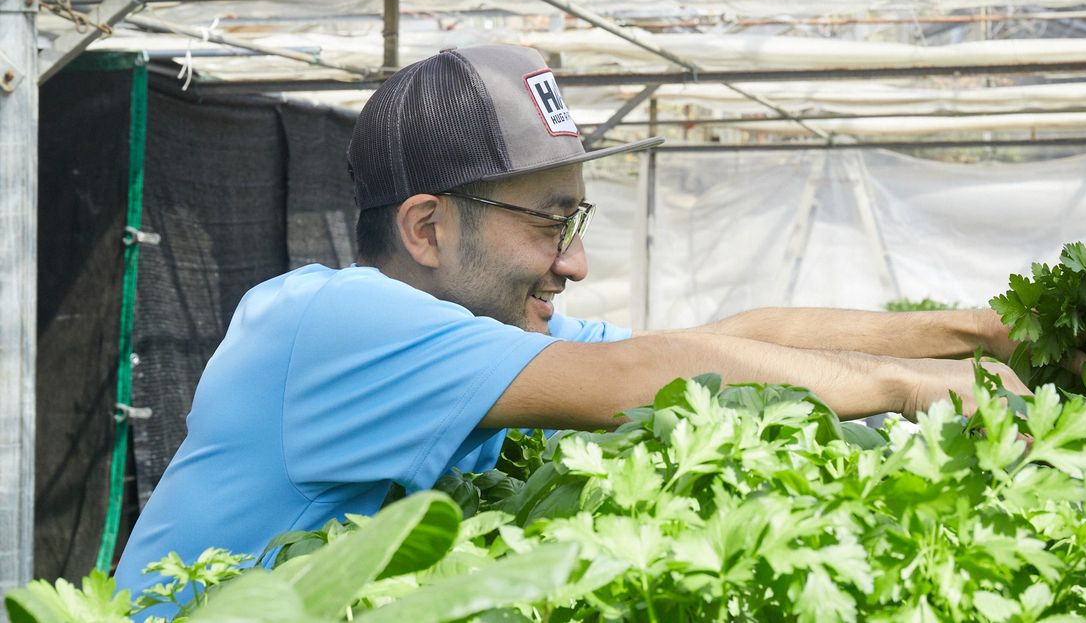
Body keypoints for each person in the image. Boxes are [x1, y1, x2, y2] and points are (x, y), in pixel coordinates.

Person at [114, 44, 1030, 612]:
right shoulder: (335, 317)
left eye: (577, 224)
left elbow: (723, 339)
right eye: (548, 222)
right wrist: (915, 391)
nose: (574, 262)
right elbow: (641, 376)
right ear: (427, 227)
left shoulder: (475, 350)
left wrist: (974, 335)